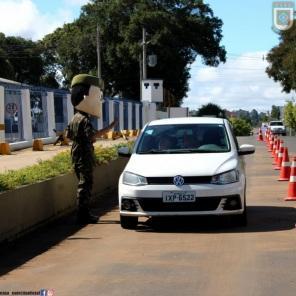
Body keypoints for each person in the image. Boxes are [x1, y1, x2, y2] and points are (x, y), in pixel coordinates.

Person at [66, 74, 116, 224]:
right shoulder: (85, 120)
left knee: (82, 183)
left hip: (76, 153)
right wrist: (110, 127)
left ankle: (83, 213)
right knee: (85, 184)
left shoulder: (74, 117)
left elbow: (68, 136)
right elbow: (92, 136)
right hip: (84, 154)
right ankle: (83, 214)